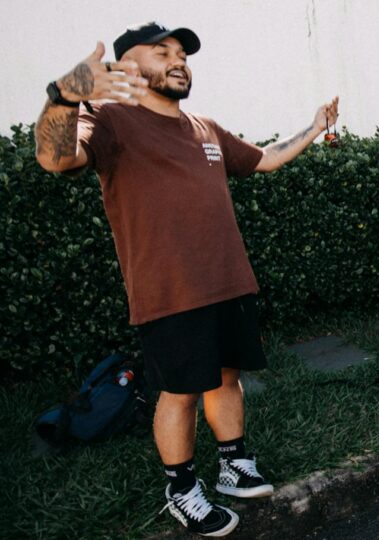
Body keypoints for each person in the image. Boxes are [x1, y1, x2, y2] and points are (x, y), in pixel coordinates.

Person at [33, 22, 340, 536]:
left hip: (228, 282)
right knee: (179, 392)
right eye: (163, 52)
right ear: (128, 64)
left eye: (182, 53)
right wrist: (64, 94)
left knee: (226, 377)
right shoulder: (107, 121)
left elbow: (263, 160)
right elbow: (55, 157)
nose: (179, 60)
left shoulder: (205, 127)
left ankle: (234, 463)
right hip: (168, 291)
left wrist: (312, 128)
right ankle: (180, 488)